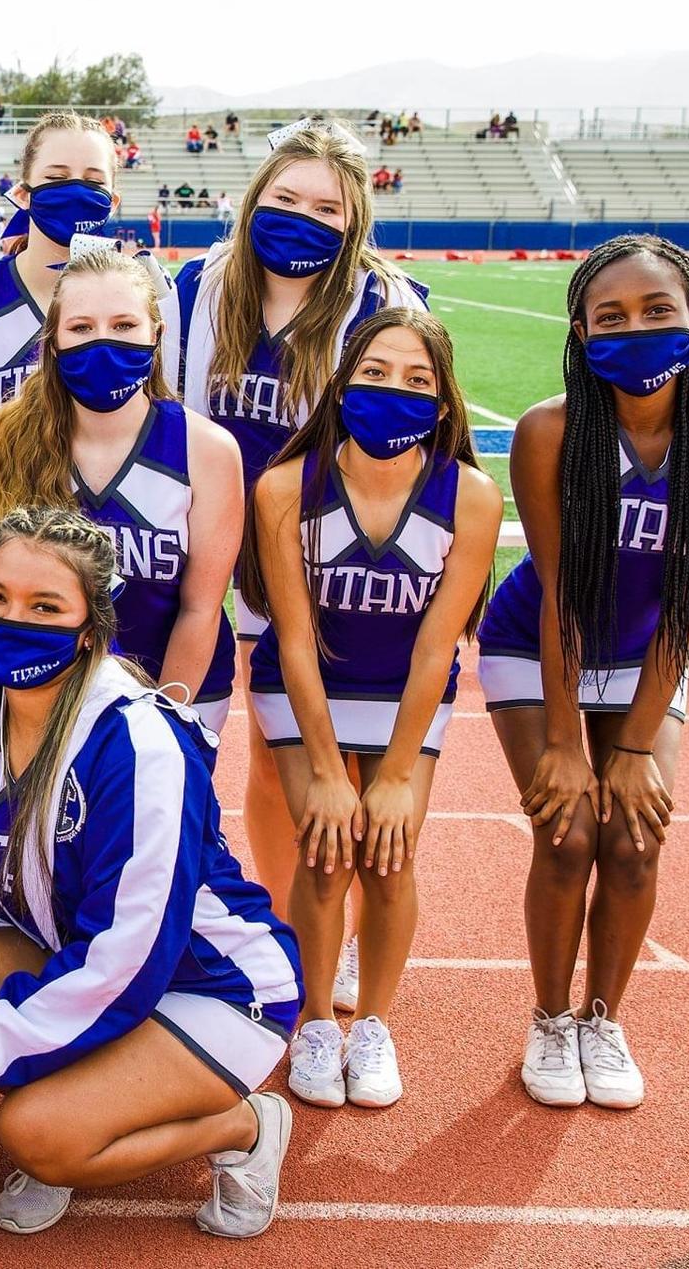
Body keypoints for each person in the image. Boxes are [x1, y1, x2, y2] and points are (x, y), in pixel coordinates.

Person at [0, 507, 302, 1237]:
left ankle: (244, 1127)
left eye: (44, 606)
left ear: (90, 631)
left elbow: (129, 958)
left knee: (39, 1137)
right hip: (95, 959)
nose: (14, 619)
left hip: (214, 987)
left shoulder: (139, 746)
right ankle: (97, 1089)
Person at [477, 235, 689, 1109]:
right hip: (537, 645)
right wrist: (568, 745)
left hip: (648, 652)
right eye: (611, 316)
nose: (635, 329)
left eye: (657, 312)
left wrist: (637, 744)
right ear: (579, 329)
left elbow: (687, 600)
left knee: (635, 841)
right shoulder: (550, 430)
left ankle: (604, 1019)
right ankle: (550, 1018)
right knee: (567, 833)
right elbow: (563, 591)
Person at [161, 119, 427, 1010]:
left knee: (320, 766)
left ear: (354, 221)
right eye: (286, 199)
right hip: (207, 547)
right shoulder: (199, 286)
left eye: (326, 207)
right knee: (256, 765)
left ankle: (334, 935)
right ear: (253, 198)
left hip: (323, 555)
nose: (302, 218)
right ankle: (284, 928)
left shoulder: (382, 301)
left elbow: (416, 430)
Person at [242, 309, 501, 1108]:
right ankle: (317, 1020)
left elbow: (437, 651)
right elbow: (293, 640)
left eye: (417, 380)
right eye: (376, 373)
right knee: (324, 850)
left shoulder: (472, 497)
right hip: (302, 690)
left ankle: (375, 1024)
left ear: (445, 403)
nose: (394, 390)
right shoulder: (286, 486)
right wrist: (326, 771)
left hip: (403, 698)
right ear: (343, 385)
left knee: (389, 853)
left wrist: (391, 777)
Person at [0, 248, 243, 736]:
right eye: (81, 328)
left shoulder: (206, 449)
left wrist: (163, 717)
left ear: (156, 336)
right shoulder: (4, 439)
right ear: (53, 342)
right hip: (38, 692)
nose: (103, 342)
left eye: (124, 326)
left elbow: (201, 607)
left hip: (178, 688)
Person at [0, 111, 119, 414]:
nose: (75, 190)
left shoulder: (145, 296)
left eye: (93, 180)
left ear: (112, 202)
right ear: (22, 194)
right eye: (56, 178)